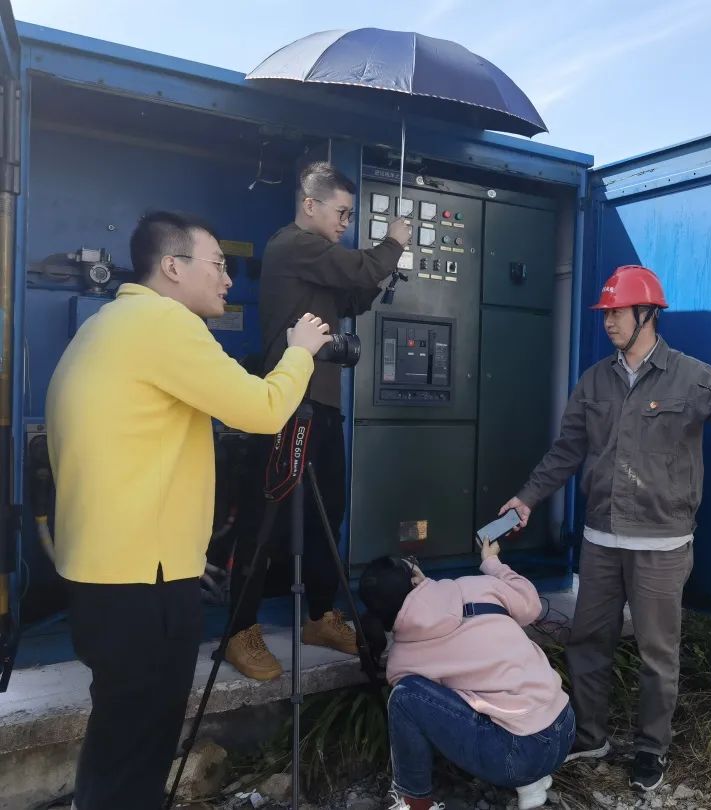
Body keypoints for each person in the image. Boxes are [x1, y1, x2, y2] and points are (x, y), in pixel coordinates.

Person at [45, 210, 331, 810]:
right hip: (144, 581)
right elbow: (263, 410)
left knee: (120, 735)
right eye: (219, 265)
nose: (228, 280)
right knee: (141, 742)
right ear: (173, 267)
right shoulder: (164, 324)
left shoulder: (105, 325)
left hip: (103, 574)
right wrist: (300, 352)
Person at [499, 264, 711, 792]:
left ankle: (651, 748)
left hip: (662, 544)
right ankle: (591, 735)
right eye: (605, 313)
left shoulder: (691, 375)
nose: (608, 322)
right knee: (588, 641)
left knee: (657, 653)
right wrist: (528, 498)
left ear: (647, 314)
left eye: (617, 312)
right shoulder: (594, 381)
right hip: (601, 539)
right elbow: (567, 451)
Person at [225, 161, 412, 680]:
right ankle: (239, 631)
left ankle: (319, 617)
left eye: (351, 216)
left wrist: (382, 270)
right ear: (310, 205)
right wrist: (393, 243)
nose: (345, 224)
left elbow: (354, 293)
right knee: (268, 519)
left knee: (329, 511)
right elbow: (357, 270)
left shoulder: (319, 259)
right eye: (341, 213)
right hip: (287, 403)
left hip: (322, 404)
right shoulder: (293, 245)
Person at [358, 538, 575, 810]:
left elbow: (436, 709)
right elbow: (532, 605)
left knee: (404, 696)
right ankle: (530, 778)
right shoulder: (475, 585)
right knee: (500, 680)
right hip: (565, 726)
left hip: (517, 754)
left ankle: (413, 799)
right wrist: (492, 563)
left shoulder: (403, 660)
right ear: (415, 579)